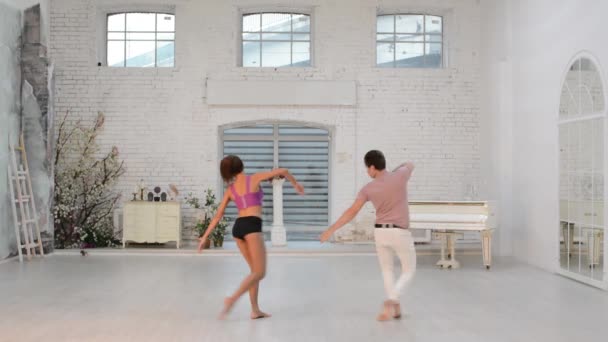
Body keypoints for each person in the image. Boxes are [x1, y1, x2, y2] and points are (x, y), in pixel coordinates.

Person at [198, 155, 305, 320]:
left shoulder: (230, 190)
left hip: (238, 228)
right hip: (251, 226)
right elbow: (284, 170)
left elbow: (217, 216)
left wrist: (204, 236)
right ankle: (232, 299)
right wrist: (295, 184)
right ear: (241, 165)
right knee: (260, 272)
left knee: (254, 272)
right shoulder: (254, 178)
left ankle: (255, 310)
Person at [320, 150, 416, 321]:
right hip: (400, 232)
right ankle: (392, 299)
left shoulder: (368, 189)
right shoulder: (400, 176)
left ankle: (394, 303)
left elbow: (352, 212)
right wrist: (396, 170)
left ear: (372, 167)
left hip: (380, 232)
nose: (367, 172)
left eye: (367, 169)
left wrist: (331, 229)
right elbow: (410, 163)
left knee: (387, 270)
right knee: (408, 270)